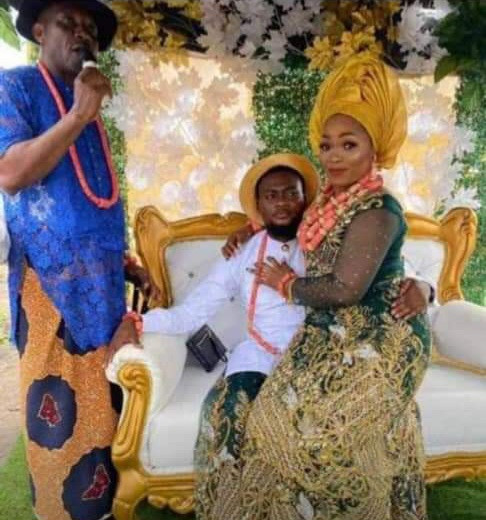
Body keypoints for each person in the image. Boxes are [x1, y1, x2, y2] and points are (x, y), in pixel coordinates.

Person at [109, 152, 431, 519]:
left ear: (306, 199)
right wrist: (137, 321)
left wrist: (426, 288)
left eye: (291, 193)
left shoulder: (329, 243)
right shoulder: (242, 253)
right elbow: (190, 314)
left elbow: (392, 273)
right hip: (260, 356)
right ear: (258, 205)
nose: (282, 202)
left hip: (321, 359)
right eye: (271, 195)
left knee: (329, 433)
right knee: (231, 416)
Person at [216, 55, 432, 520]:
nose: (333, 156)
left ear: (374, 150)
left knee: (326, 439)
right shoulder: (329, 201)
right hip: (328, 334)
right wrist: (247, 227)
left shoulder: (378, 209)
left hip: (379, 339)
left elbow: (346, 288)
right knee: (270, 421)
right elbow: (288, 217)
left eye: (349, 145)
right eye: (327, 145)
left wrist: (287, 284)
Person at [0, 2, 152, 519]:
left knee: (104, 404)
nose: (82, 34)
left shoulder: (86, 105)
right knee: (59, 409)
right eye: (69, 23)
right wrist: (78, 115)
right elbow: (11, 173)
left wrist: (123, 262)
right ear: (40, 30)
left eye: (90, 29)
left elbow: (90, 201)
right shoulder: (16, 86)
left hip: (103, 286)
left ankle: (104, 508)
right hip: (48, 287)